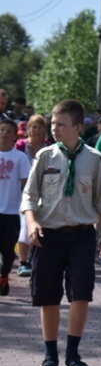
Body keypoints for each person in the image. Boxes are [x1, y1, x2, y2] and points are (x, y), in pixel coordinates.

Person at [21, 99, 101, 366]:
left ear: (76, 127)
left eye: (60, 124)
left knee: (81, 294)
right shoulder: (45, 157)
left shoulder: (95, 160)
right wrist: (32, 222)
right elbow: (29, 197)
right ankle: (50, 356)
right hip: (48, 236)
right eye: (52, 123)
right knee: (48, 296)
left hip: (81, 235)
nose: (54, 128)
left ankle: (72, 356)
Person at [14, 114, 52, 277]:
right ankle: (23, 262)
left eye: (40, 127)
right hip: (21, 193)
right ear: (28, 129)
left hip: (45, 194)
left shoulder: (50, 147)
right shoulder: (21, 146)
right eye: (33, 127)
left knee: (41, 226)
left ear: (45, 130)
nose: (36, 130)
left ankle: (33, 258)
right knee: (24, 225)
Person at [0, 119, 31, 296]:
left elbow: (26, 184)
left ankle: (4, 274)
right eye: (1, 129)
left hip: (11, 212)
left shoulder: (19, 157)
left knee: (8, 251)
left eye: (8, 131)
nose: (4, 133)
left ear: (14, 136)